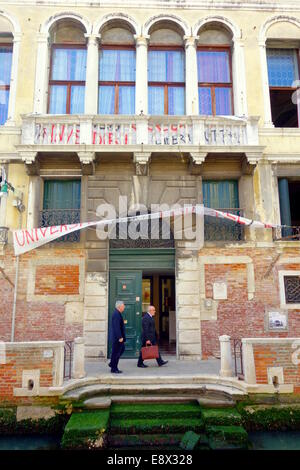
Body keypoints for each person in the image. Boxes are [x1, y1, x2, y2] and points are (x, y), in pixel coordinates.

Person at [109, 300, 126, 374]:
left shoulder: (118, 313)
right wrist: (120, 337)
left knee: (118, 351)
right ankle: (114, 368)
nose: (124, 307)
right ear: (119, 306)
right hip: (117, 338)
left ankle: (112, 364)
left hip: (117, 338)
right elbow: (116, 327)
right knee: (116, 353)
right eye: (123, 306)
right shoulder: (116, 314)